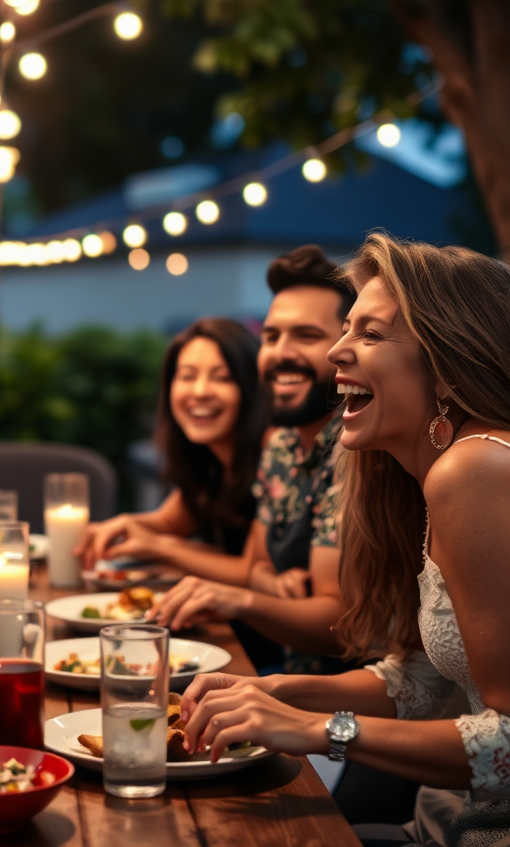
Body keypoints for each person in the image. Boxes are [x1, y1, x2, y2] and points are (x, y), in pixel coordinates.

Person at [178, 234, 510, 847]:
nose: (337, 351)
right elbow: (423, 681)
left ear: (446, 361)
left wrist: (320, 728)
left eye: (370, 334)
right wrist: (272, 691)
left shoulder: (476, 469)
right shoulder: (425, 474)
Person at [148, 245, 352, 673]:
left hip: (337, 711)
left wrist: (242, 599)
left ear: (348, 349)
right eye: (272, 336)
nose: (281, 352)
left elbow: (341, 628)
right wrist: (265, 587)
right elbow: (255, 567)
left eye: (307, 336)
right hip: (278, 676)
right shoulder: (280, 446)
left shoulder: (355, 451)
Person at [77, 318, 267, 583]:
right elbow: (168, 524)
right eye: (187, 376)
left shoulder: (274, 457)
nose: (199, 391)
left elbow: (253, 571)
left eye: (222, 377)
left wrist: (161, 548)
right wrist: (118, 526)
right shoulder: (209, 461)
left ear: (250, 388)